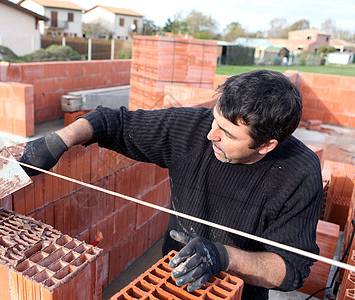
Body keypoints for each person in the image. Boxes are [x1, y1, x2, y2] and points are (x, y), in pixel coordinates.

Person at [18, 70, 323, 299]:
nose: (211, 135)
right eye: (216, 121)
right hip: (170, 278)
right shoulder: (192, 129)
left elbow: (290, 269)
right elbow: (111, 122)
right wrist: (57, 142)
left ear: (266, 146)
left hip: (236, 293)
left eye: (228, 135)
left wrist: (223, 255)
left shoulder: (299, 172)